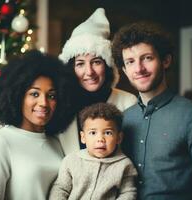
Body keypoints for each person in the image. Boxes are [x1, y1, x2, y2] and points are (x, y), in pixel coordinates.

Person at [112, 22, 192, 200]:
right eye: (130, 62)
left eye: (147, 58)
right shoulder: (124, 119)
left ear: (166, 60)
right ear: (125, 71)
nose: (139, 69)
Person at [0, 50, 72, 200]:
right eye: (34, 94)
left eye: (51, 96)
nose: (43, 103)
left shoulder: (56, 142)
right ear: (18, 96)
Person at [58, 8, 137, 155]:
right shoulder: (62, 104)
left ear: (108, 65)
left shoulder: (128, 102)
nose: (89, 72)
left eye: (96, 62)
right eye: (80, 64)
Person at [49, 102, 137, 200]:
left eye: (108, 133)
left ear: (119, 138)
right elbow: (60, 188)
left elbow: (128, 193)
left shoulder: (125, 165)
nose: (100, 139)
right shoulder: (71, 160)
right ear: (83, 137)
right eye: (93, 133)